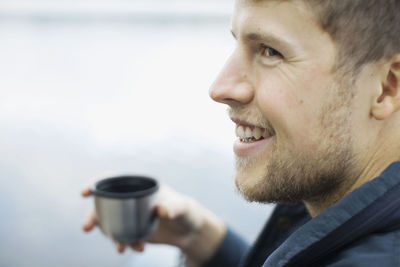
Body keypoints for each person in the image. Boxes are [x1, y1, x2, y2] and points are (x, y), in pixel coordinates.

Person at [82, 0, 400, 266]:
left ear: (386, 89)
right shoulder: (334, 192)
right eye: (237, 43)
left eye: (270, 52)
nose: (220, 88)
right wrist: (198, 236)